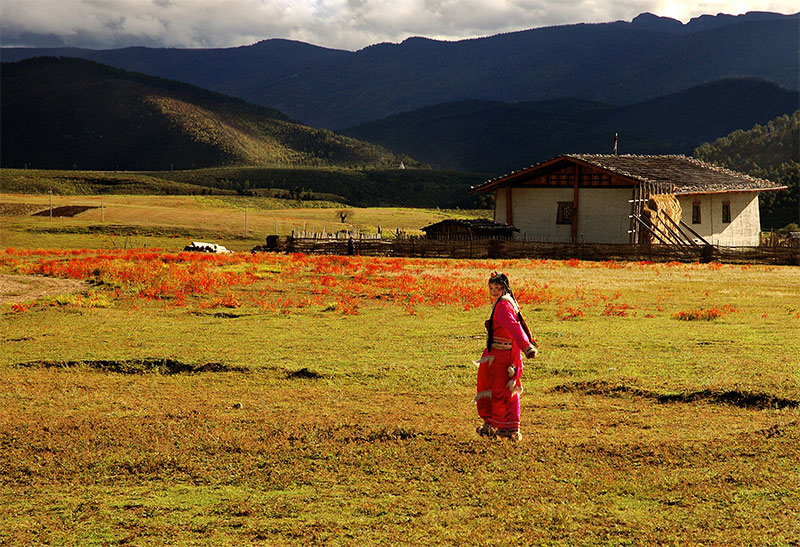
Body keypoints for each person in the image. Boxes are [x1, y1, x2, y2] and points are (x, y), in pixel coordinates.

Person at [474, 272, 537, 441]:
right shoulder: (508, 303)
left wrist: (527, 347)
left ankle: (499, 426)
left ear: (505, 289)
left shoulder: (503, 306)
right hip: (503, 353)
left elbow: (513, 326)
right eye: (491, 288)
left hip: (499, 356)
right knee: (502, 389)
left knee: (496, 390)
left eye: (497, 288)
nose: (494, 291)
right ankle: (499, 426)